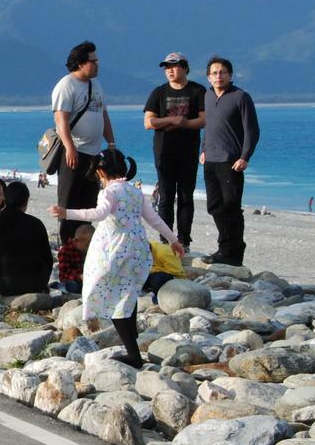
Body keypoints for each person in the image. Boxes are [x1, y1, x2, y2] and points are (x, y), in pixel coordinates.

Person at [48, 148, 183, 368]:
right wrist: (173, 239)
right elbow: (154, 220)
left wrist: (67, 213)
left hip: (115, 250)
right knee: (128, 296)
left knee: (114, 299)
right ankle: (133, 346)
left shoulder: (109, 192)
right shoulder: (135, 192)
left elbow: (99, 214)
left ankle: (133, 354)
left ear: (101, 171)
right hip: (138, 249)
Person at [52, 41, 115, 244]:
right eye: (93, 61)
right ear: (80, 63)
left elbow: (103, 115)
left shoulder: (96, 85)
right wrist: (70, 147)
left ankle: (85, 245)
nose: (97, 64)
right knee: (70, 203)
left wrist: (111, 144)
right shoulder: (66, 85)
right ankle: (67, 244)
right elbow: (61, 120)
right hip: (75, 152)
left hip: (94, 154)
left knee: (89, 204)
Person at [200, 56, 260, 266]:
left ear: (230, 75)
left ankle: (233, 254)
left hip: (231, 161)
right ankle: (224, 248)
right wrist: (203, 150)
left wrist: (245, 156)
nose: (218, 76)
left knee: (231, 207)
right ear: (208, 77)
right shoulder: (207, 96)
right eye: (214, 73)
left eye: (222, 72)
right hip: (210, 160)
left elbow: (251, 130)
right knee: (214, 206)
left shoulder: (241, 97)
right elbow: (208, 127)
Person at [143, 52, 206, 249]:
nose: (170, 70)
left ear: (185, 68)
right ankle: (166, 239)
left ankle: (184, 240)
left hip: (188, 151)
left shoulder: (197, 91)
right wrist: (172, 120)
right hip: (164, 152)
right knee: (165, 196)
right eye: (166, 67)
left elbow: (204, 120)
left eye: (174, 66)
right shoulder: (159, 93)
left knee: (186, 196)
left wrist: (185, 123)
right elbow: (148, 122)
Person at [0, 181, 53, 299]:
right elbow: (47, 258)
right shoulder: (35, 223)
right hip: (34, 283)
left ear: (5, 199)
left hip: (2, 284)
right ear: (26, 201)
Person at [56, 224, 93, 294]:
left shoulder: (88, 251)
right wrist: (79, 276)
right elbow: (64, 273)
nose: (89, 248)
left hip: (86, 279)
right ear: (76, 241)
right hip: (71, 280)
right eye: (87, 245)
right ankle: (56, 286)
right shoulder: (65, 251)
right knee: (73, 286)